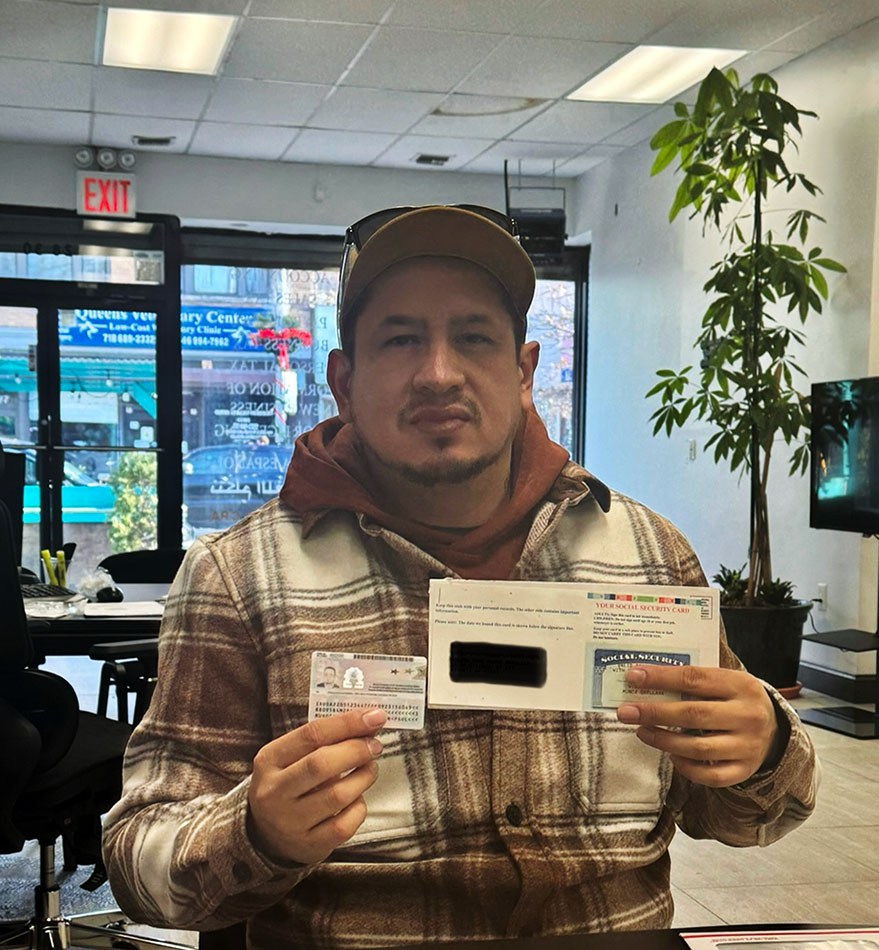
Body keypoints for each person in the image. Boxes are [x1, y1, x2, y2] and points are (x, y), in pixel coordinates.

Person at [103, 205, 819, 948]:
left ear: (523, 373)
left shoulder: (648, 557)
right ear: (343, 380)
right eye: (400, 339)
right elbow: (135, 861)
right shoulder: (237, 578)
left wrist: (763, 750)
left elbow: (746, 818)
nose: (439, 374)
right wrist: (255, 831)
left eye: (474, 338)